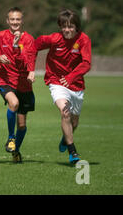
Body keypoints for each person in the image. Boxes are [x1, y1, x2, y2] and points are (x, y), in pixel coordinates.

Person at [34, 9, 91, 164]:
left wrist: (71, 77)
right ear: (60, 26)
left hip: (76, 85)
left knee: (74, 122)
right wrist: (29, 68)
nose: (67, 30)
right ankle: (73, 152)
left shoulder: (84, 39)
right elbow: (32, 46)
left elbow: (86, 63)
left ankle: (66, 138)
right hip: (56, 82)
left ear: (76, 27)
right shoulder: (53, 39)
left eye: (71, 26)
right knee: (65, 113)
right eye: (64, 26)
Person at [0, 7, 36, 163]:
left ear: (22, 21)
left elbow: (27, 59)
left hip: (23, 83)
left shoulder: (28, 39)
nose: (15, 22)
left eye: (18, 19)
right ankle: (10, 137)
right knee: (13, 103)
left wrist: (31, 71)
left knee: (22, 125)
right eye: (12, 19)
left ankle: (16, 150)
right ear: (7, 21)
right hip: (5, 80)